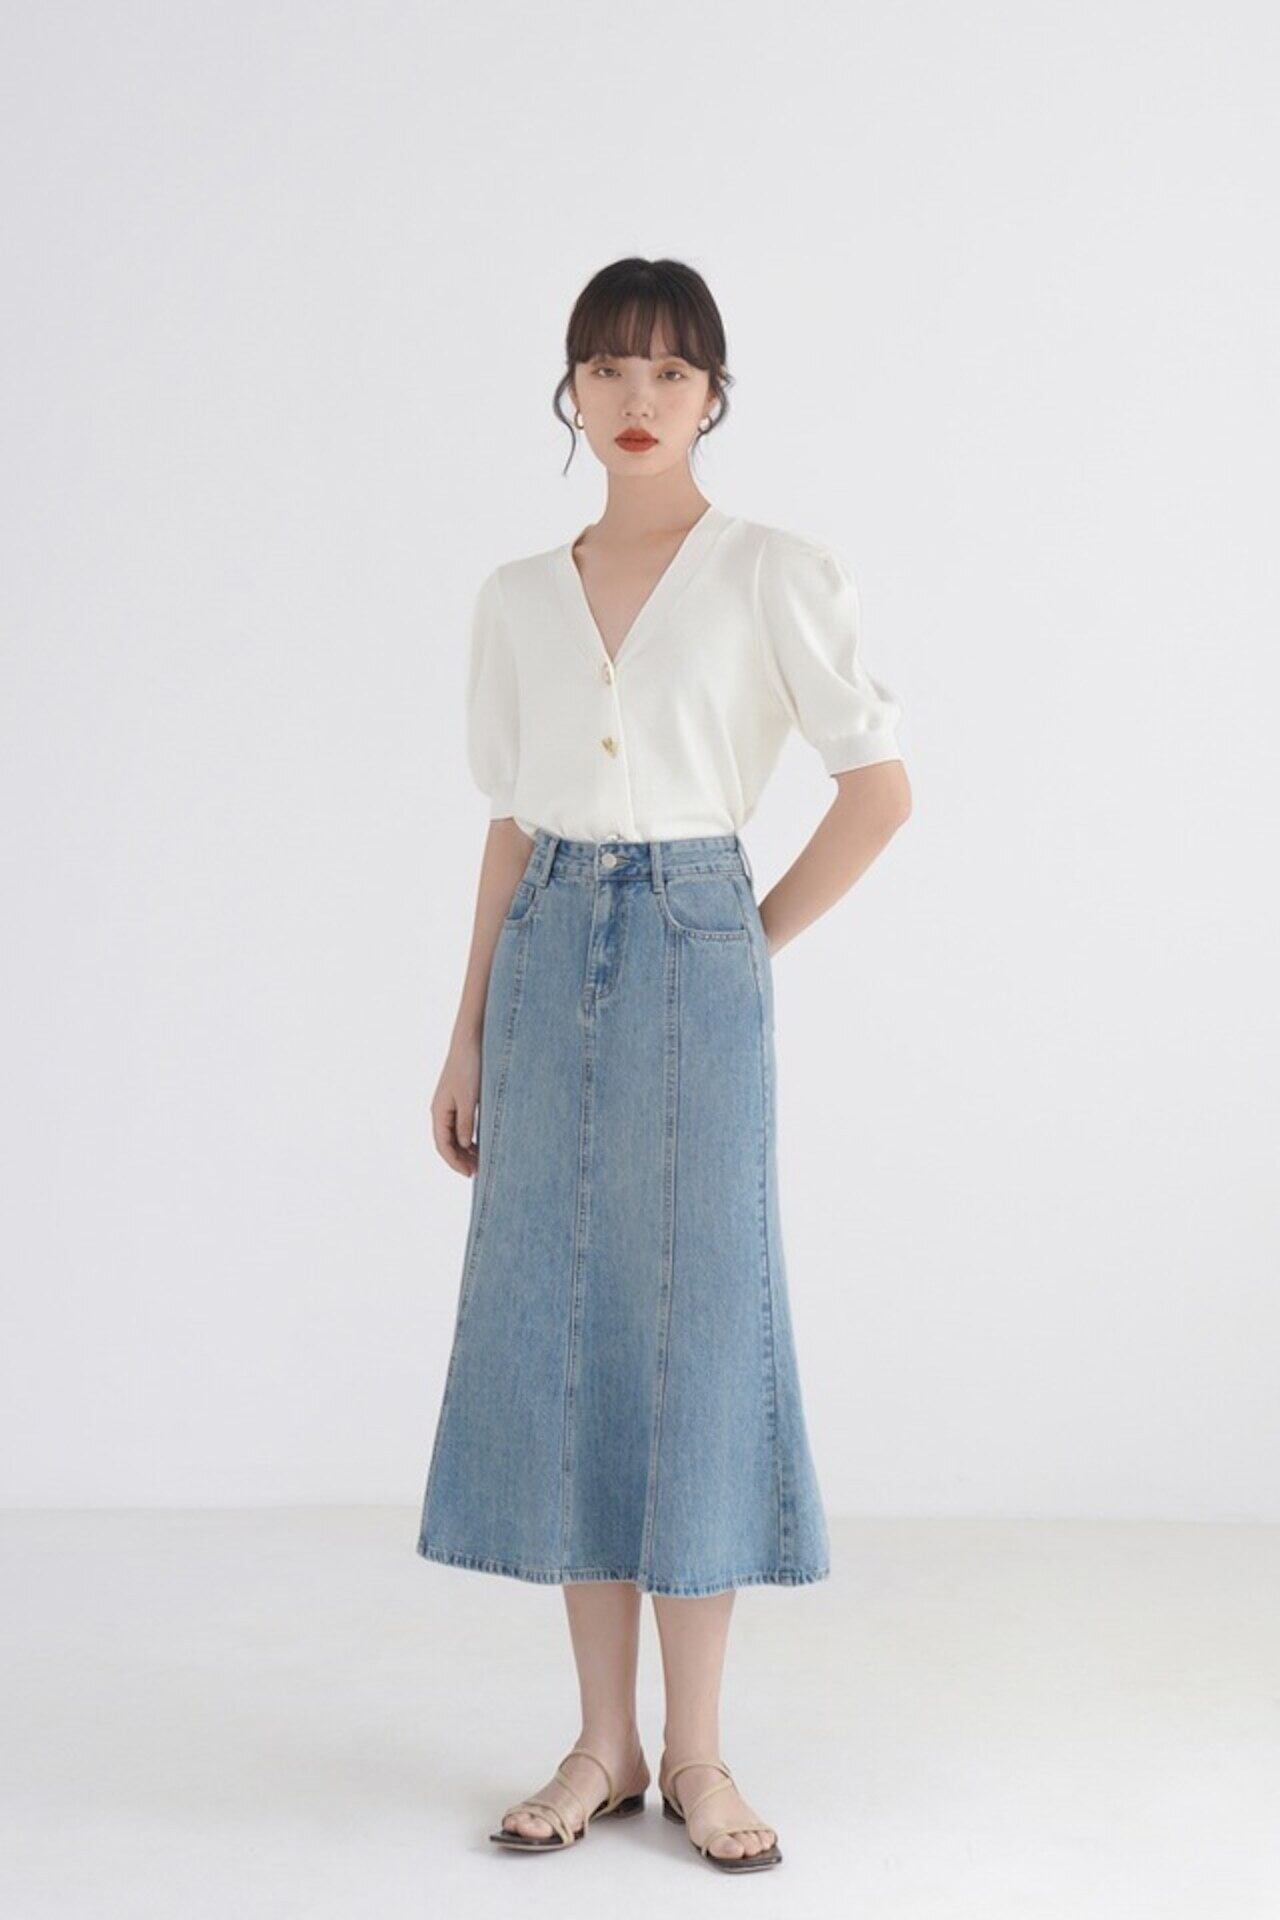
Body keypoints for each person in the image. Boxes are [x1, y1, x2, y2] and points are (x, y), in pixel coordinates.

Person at [416, 256, 912, 1873]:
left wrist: (740, 941)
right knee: (572, 1333)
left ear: (714, 394)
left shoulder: (774, 570)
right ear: (571, 390)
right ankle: (600, 1745)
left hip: (700, 944)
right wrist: (465, 1028)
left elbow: (878, 789)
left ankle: (699, 1752)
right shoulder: (516, 595)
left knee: (699, 1333)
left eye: (671, 372)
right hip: (547, 945)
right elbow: (509, 822)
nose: (638, 400)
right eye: (609, 370)